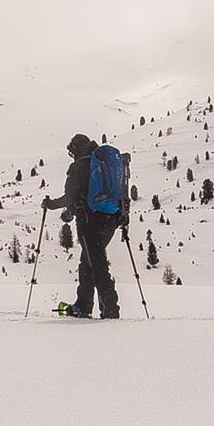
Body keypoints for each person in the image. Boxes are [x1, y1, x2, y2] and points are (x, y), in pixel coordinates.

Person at [41, 134, 125, 319]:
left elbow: (70, 197)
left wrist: (52, 205)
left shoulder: (78, 167)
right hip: (110, 220)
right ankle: (83, 305)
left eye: (71, 151)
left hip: (89, 221)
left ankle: (111, 309)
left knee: (97, 265)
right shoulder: (103, 162)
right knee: (88, 264)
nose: (71, 155)